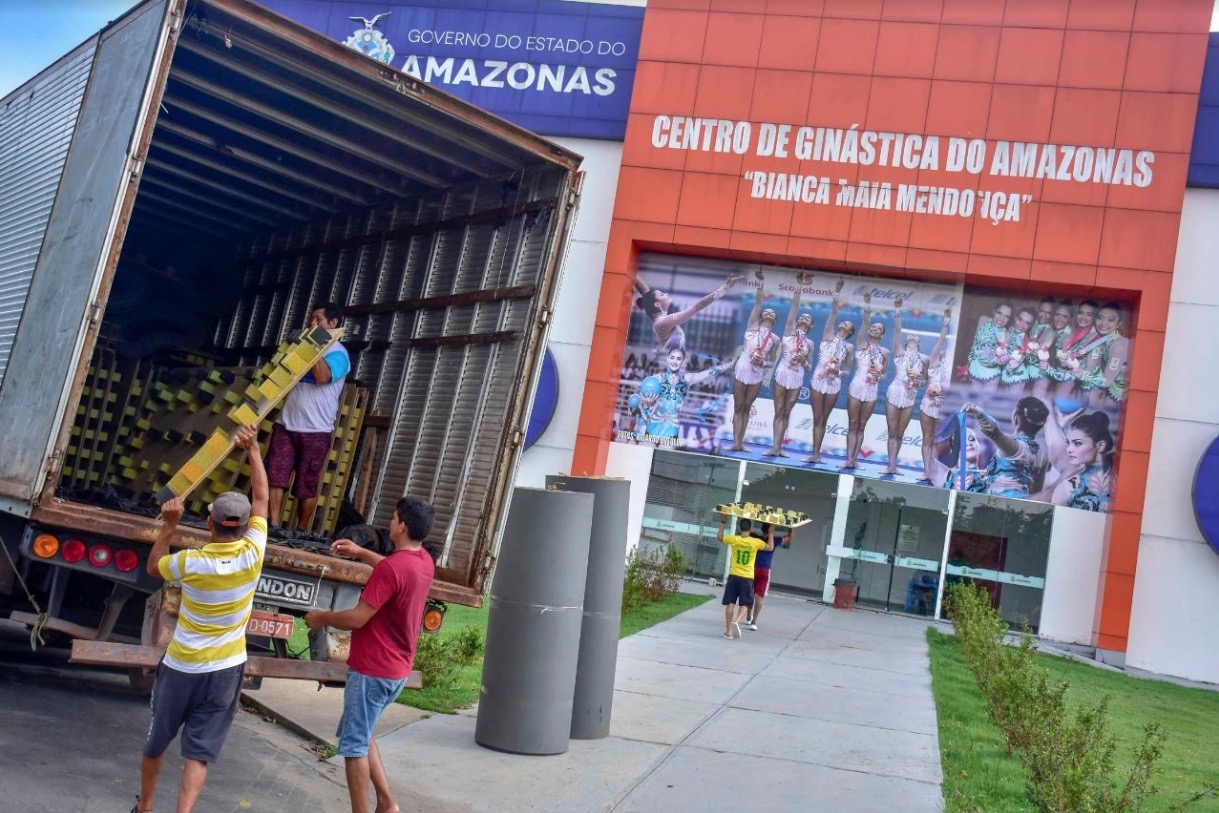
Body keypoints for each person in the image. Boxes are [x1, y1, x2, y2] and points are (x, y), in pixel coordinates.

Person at [134, 424, 267, 813]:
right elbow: (261, 498)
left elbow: (154, 567)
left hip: (181, 667)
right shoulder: (252, 555)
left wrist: (169, 527)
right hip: (226, 670)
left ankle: (145, 807)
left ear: (208, 524)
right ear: (244, 528)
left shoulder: (190, 563)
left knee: (157, 741)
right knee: (199, 752)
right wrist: (254, 450)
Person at [304, 497, 437, 813]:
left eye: (392, 518)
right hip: (396, 671)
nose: (390, 523)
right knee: (362, 735)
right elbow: (393, 570)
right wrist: (361, 552)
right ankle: (387, 803)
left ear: (401, 525)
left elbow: (357, 618)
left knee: (353, 747)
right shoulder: (423, 562)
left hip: (372, 671)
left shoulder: (392, 569)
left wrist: (323, 617)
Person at [267, 301, 350, 529]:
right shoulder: (300, 350)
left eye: (318, 320)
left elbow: (322, 377)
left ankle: (301, 530)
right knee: (276, 476)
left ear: (332, 324)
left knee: (307, 484)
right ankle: (274, 526)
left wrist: (314, 348)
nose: (312, 324)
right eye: (311, 320)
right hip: (286, 425)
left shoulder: (339, 355)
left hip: (316, 431)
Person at [729, 268, 779, 451]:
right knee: (738, 405)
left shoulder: (775, 339)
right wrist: (761, 283)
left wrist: (763, 363)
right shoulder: (752, 327)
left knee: (747, 406)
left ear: (775, 320)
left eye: (773, 313)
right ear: (761, 316)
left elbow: (773, 361)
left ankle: (740, 443)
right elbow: (758, 303)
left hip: (757, 372)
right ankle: (735, 442)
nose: (769, 313)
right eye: (767, 312)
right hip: (742, 367)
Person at [962, 397, 1050, 498]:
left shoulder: (1015, 448)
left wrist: (979, 414)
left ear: (1015, 417)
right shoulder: (1043, 454)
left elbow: (993, 432)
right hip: (1019, 506)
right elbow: (1035, 493)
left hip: (999, 503)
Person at [765, 273, 812, 457]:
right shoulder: (789, 332)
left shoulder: (810, 344)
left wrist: (803, 361)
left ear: (811, 325)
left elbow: (809, 366)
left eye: (808, 318)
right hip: (783, 372)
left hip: (797, 377)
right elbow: (794, 307)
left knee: (787, 412)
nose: (804, 319)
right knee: (779, 410)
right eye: (803, 317)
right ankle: (773, 447)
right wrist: (799, 287)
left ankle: (780, 447)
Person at [806, 279, 852, 464]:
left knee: (824, 418)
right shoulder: (827, 336)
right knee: (817, 416)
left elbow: (848, 369)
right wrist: (837, 292)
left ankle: (818, 453)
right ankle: (814, 453)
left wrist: (839, 373)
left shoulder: (849, 347)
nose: (844, 325)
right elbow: (834, 312)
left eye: (848, 325)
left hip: (834, 383)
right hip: (818, 378)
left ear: (850, 331)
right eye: (843, 323)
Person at [844, 292, 891, 470]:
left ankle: (855, 459)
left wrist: (878, 375)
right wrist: (867, 305)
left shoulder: (885, 352)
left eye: (878, 329)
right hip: (857, 386)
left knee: (862, 424)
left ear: (882, 335)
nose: (874, 329)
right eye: (873, 327)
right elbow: (865, 323)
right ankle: (848, 458)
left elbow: (885, 374)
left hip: (871, 389)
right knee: (853, 423)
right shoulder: (861, 343)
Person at [634, 273, 739, 353]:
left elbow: (643, 288)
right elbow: (696, 307)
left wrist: (629, 272)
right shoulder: (664, 322)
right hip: (671, 362)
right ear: (657, 304)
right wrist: (723, 289)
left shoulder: (655, 315)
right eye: (662, 294)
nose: (666, 294)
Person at [717, 517, 772, 639]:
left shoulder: (734, 539)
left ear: (739, 528)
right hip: (747, 577)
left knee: (730, 603)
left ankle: (728, 632)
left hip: (733, 575)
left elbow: (720, 537)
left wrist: (723, 522)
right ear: (750, 528)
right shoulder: (755, 542)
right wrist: (771, 532)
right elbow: (770, 547)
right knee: (746, 603)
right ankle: (737, 620)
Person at [918, 310, 954, 482]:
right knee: (927, 438)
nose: (943, 354)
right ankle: (926, 470)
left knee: (937, 440)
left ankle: (934, 471)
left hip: (943, 407)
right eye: (942, 353)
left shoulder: (951, 371)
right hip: (927, 405)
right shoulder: (933, 364)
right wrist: (946, 322)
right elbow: (940, 342)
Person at [744, 522, 783, 630]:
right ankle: (754, 621)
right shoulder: (775, 540)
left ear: (761, 529)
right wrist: (790, 528)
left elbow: (745, 530)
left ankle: (748, 615)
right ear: (771, 530)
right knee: (759, 596)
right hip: (765, 570)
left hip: (753, 568)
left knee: (750, 593)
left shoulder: (756, 538)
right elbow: (790, 536)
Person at [965, 302, 1013, 389]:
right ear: (994, 311)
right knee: (973, 400)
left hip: (992, 375)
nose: (1001, 319)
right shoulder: (983, 321)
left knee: (986, 401)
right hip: (977, 369)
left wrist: (1003, 359)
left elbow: (1002, 360)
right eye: (999, 313)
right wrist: (969, 364)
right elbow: (975, 344)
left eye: (1006, 316)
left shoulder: (1007, 335)